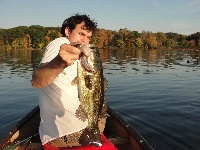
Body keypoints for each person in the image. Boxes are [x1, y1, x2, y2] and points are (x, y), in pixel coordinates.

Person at [31, 14, 107, 147]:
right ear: (67, 31)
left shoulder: (82, 54)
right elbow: (37, 81)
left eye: (88, 37)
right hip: (70, 133)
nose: (85, 40)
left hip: (89, 126)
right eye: (81, 34)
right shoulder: (60, 44)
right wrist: (59, 62)